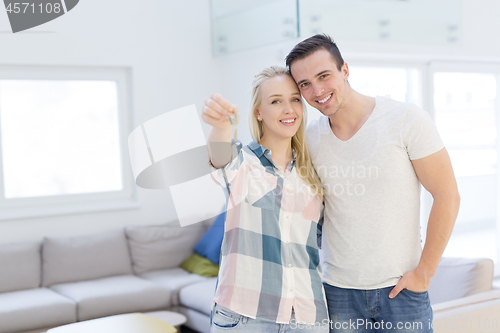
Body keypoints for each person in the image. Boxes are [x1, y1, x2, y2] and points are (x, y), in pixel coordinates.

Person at [285, 34, 460, 332]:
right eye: (305, 84)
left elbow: (447, 195)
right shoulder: (308, 138)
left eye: (324, 75)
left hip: (402, 291)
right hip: (338, 293)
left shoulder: (405, 119)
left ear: (345, 71)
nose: (317, 90)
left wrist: (424, 273)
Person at [201, 66, 329, 332]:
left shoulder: (313, 173)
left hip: (307, 317)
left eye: (295, 99)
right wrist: (222, 125)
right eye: (276, 101)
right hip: (246, 316)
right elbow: (220, 156)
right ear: (258, 112)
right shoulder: (243, 163)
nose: (288, 109)